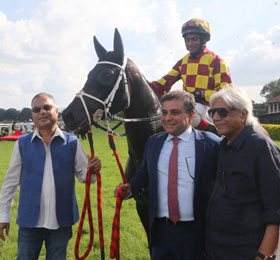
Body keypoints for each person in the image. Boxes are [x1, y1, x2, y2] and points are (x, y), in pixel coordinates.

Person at [115, 90, 221, 260]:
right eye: (164, 112)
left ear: (191, 114)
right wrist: (131, 188)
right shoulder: (154, 142)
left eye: (175, 112)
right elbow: (144, 172)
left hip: (197, 233)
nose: (167, 117)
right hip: (161, 233)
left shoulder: (210, 144)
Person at [0, 93, 101, 260]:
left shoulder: (72, 142)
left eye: (47, 107)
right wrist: (3, 216)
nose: (42, 112)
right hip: (29, 222)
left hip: (61, 223)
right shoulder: (22, 143)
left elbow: (86, 177)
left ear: (56, 112)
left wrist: (94, 169)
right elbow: (10, 183)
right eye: (37, 109)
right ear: (32, 115)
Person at [206, 86, 280, 260]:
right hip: (217, 249)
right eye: (212, 112)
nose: (216, 118)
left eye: (223, 112)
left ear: (243, 114)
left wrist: (264, 255)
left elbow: (275, 209)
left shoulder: (260, 148)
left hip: (246, 251)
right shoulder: (224, 146)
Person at [150, 18, 232, 133]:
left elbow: (226, 91)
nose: (190, 44)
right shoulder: (183, 61)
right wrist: (145, 86)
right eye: (187, 40)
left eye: (194, 39)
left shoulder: (216, 60)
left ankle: (213, 131)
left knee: (185, 113)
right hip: (188, 105)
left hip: (209, 108)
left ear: (203, 39)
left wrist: (201, 94)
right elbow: (166, 81)